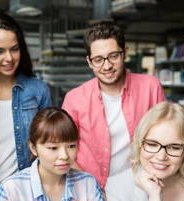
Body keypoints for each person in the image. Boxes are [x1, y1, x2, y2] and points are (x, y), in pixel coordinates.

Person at [62, 20, 165, 190]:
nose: (107, 66)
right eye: (98, 59)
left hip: (141, 187)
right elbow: (64, 151)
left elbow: (166, 137)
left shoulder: (150, 87)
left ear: (125, 53)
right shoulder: (74, 99)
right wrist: (92, 190)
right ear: (89, 62)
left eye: (113, 56)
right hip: (90, 189)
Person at [0, 12, 51, 201]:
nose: (8, 58)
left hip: (29, 198)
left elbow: (48, 148)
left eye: (14, 49)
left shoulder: (38, 91)